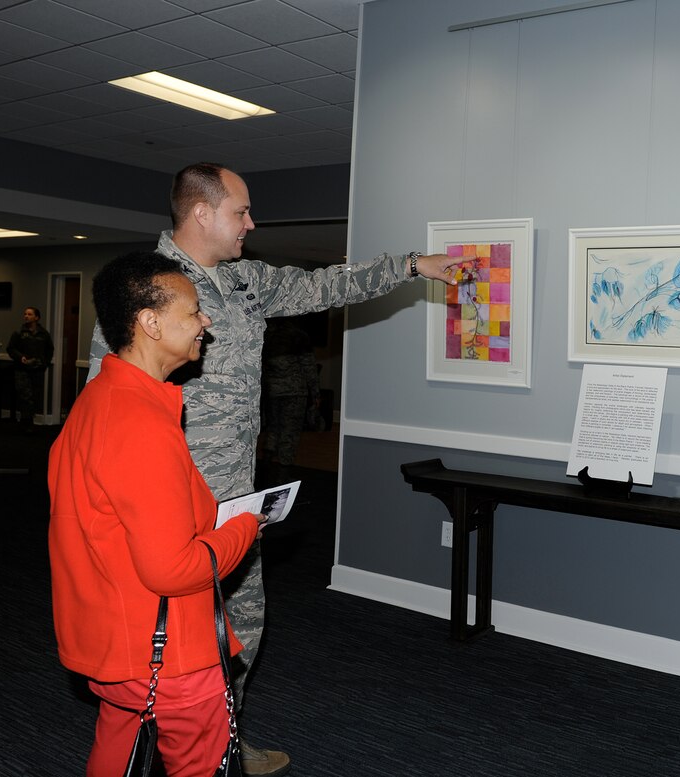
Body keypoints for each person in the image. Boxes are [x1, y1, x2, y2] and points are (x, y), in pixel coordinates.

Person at [86, 162, 462, 776]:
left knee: (241, 631)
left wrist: (414, 266)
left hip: (235, 497)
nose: (251, 224)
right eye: (241, 211)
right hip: (166, 507)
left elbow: (328, 286)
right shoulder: (140, 294)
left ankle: (224, 738)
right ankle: (162, 751)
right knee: (163, 651)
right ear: (201, 212)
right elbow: (108, 407)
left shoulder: (247, 282)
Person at [50, 251, 262, 776]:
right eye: (192, 311)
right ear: (149, 322)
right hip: (166, 649)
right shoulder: (139, 420)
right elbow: (173, 569)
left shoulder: (101, 396)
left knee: (118, 747)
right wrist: (246, 526)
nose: (204, 322)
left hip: (117, 636)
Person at [261, 317, 320, 472]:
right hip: (295, 391)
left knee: (273, 427)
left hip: (272, 390)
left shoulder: (267, 334)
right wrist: (315, 392)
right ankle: (284, 470)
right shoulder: (298, 336)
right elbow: (309, 367)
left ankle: (265, 465)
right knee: (290, 430)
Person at [7, 305, 54, 430]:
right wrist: (20, 357)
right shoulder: (18, 332)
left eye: (29, 314)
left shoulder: (43, 334)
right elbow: (10, 348)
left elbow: (50, 349)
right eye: (25, 314)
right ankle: (25, 422)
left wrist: (45, 363)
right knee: (24, 395)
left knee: (34, 395)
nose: (26, 316)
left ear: (36, 317)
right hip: (22, 369)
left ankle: (30, 421)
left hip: (37, 369)